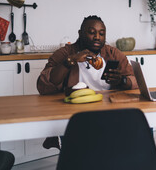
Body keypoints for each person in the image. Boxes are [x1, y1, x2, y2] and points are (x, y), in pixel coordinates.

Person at [37, 15, 138, 149]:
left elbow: (135, 81)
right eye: (91, 32)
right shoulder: (65, 53)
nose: (97, 37)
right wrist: (70, 61)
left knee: (138, 126)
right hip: (75, 114)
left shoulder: (113, 54)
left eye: (101, 33)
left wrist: (122, 80)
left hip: (109, 111)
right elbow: (43, 86)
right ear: (80, 33)